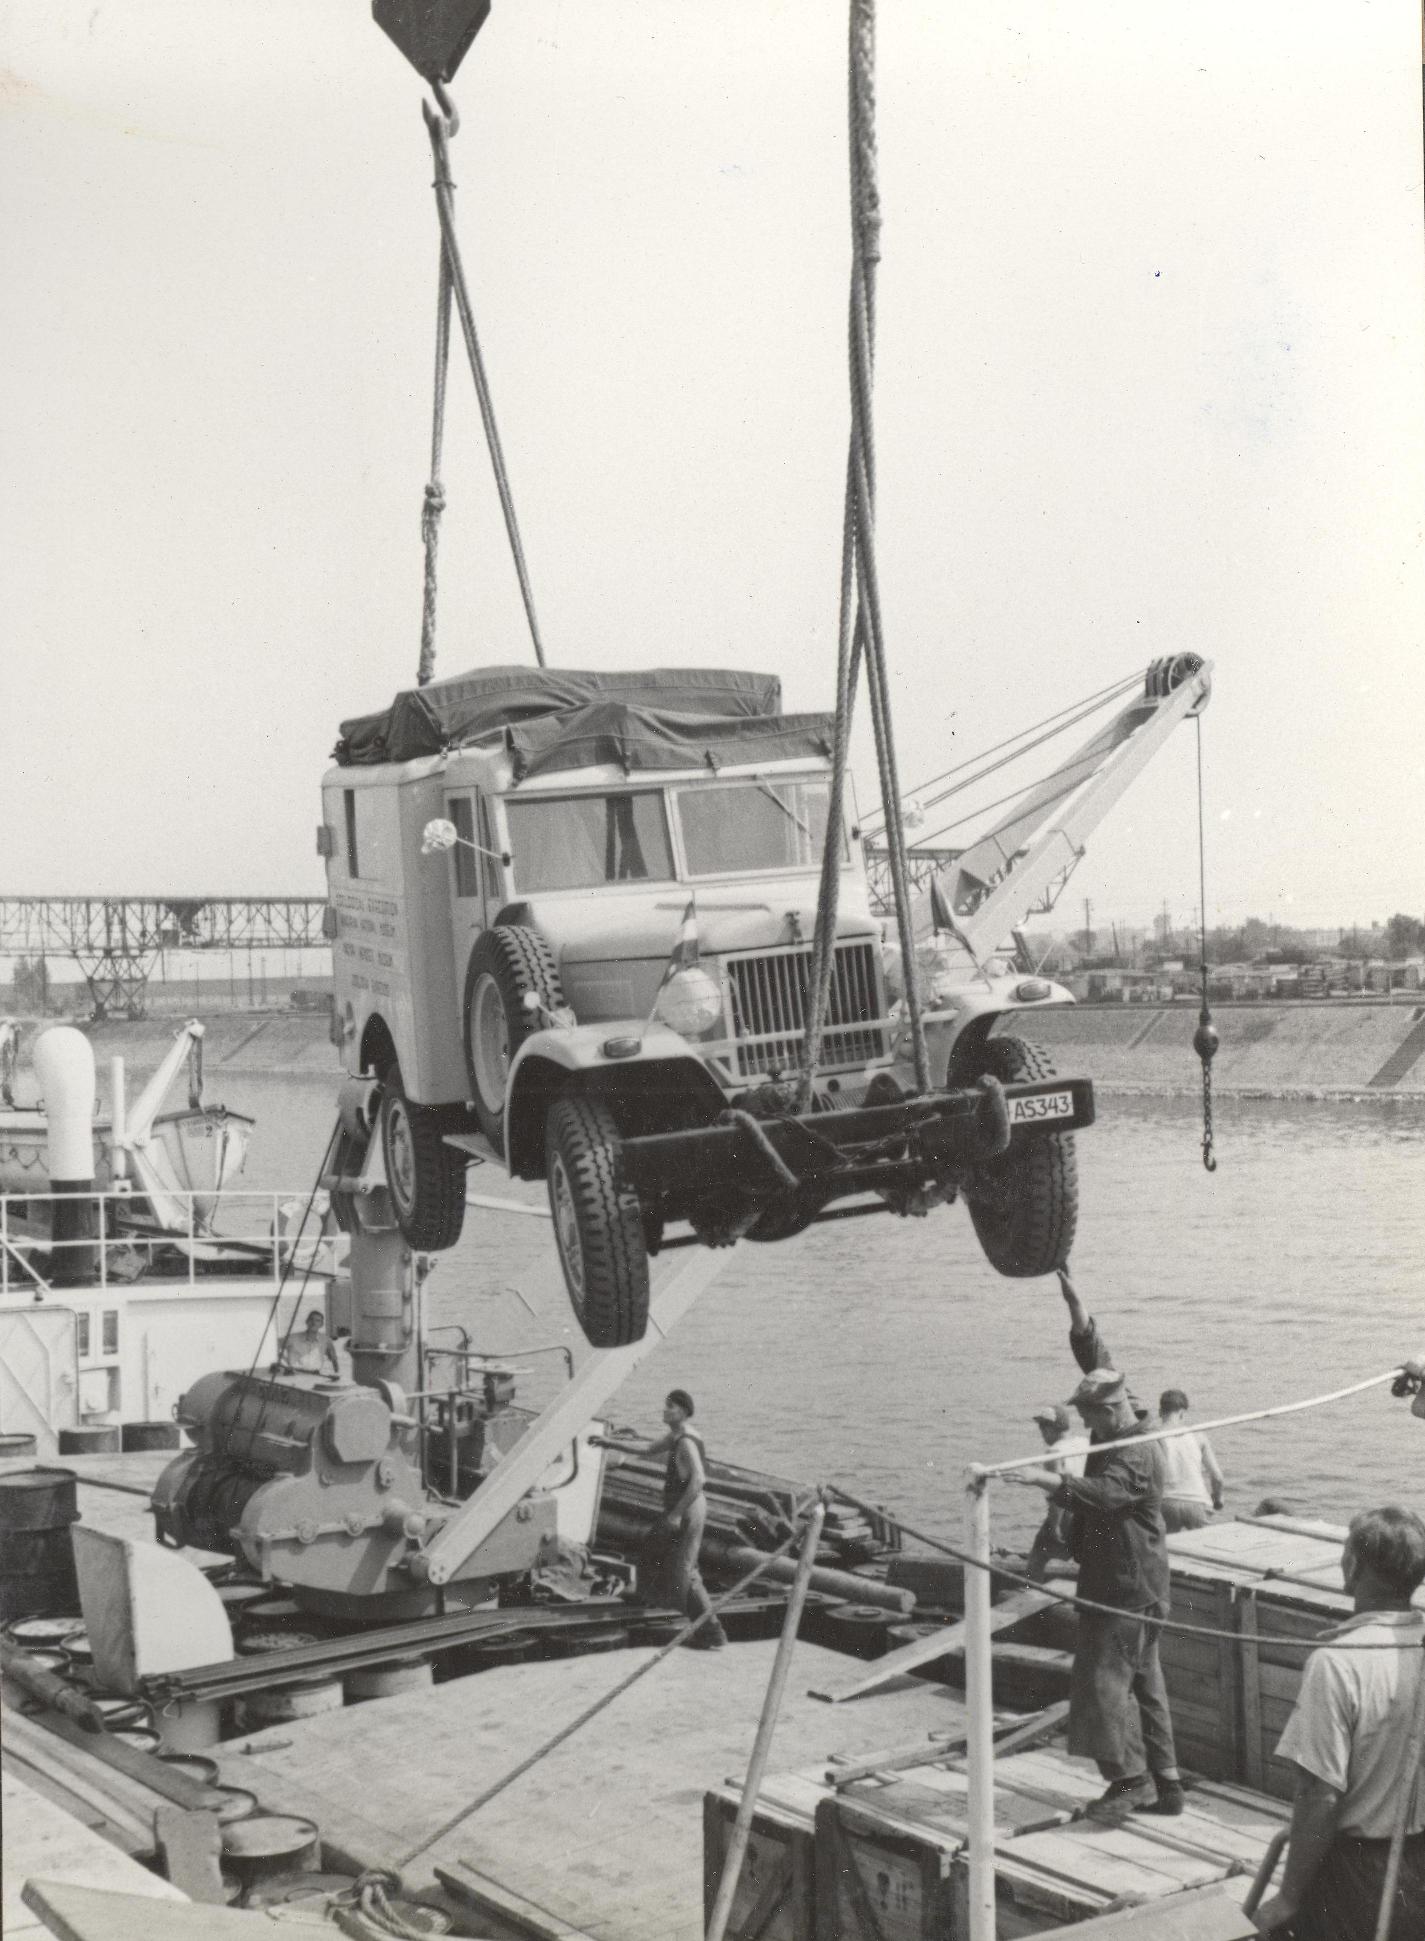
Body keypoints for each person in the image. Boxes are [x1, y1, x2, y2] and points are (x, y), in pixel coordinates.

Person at [1011, 1366, 1184, 1821]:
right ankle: (1167, 1784)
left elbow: (1107, 1494)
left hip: (1124, 1589)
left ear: (1111, 1409)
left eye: (1090, 1416)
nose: (1086, 1427)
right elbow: (1097, 1356)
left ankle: (1131, 1781)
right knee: (1146, 1686)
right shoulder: (1121, 1433)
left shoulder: (1137, 1451)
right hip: (1137, 1582)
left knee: (1103, 1688)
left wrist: (1045, 1480)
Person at [1253, 1506, 1425, 1939]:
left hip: (1357, 1876)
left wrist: (1288, 1898)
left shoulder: (1336, 1664)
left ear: (1353, 1565)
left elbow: (1319, 1796)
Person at [598, 1390, 727, 1650]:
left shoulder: (686, 1443)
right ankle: (645, 1596)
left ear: (681, 1411)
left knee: (686, 1572)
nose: (664, 1410)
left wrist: (677, 1514)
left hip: (687, 1508)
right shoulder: (680, 1434)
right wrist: (608, 1443)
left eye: (669, 1407)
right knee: (652, 1545)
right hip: (684, 1506)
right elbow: (646, 1448)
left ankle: (712, 1632)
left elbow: (700, 1480)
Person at [1024, 1402, 1090, 1583]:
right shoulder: (1084, 1442)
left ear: (1051, 1428)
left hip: (1066, 1513)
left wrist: (1054, 1525)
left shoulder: (1053, 1453)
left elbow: (1058, 1494)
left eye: (1043, 1428)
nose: (1042, 1433)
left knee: (1038, 1556)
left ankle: (1030, 1590)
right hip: (1087, 1509)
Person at [1156, 1389, 1224, 1532]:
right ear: (1182, 1413)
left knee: (1166, 1550)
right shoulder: (1198, 1436)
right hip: (1197, 1502)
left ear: (1160, 1412)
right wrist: (1217, 1498)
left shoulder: (1152, 1438)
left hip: (1166, 1503)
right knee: (1205, 1547)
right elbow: (1217, 1476)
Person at [281, 1309, 340, 1378]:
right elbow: (273, 1348)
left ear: (321, 1324)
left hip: (315, 1376)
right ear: (307, 1322)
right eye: (311, 1319)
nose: (313, 1323)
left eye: (317, 1320)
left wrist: (337, 1374)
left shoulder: (325, 1340)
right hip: (295, 1376)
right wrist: (283, 1364)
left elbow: (334, 1360)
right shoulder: (292, 1338)